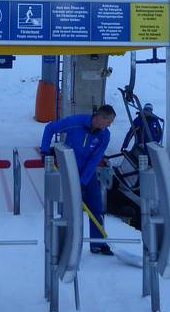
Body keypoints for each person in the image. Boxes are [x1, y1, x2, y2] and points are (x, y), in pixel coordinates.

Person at [40, 105, 116, 255]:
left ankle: (98, 243)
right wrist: (45, 150)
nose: (109, 125)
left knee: (96, 207)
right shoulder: (76, 122)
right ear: (100, 117)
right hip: (68, 170)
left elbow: (95, 159)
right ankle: (65, 244)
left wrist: (82, 182)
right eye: (109, 121)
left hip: (88, 173)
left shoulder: (104, 135)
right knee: (68, 209)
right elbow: (50, 128)